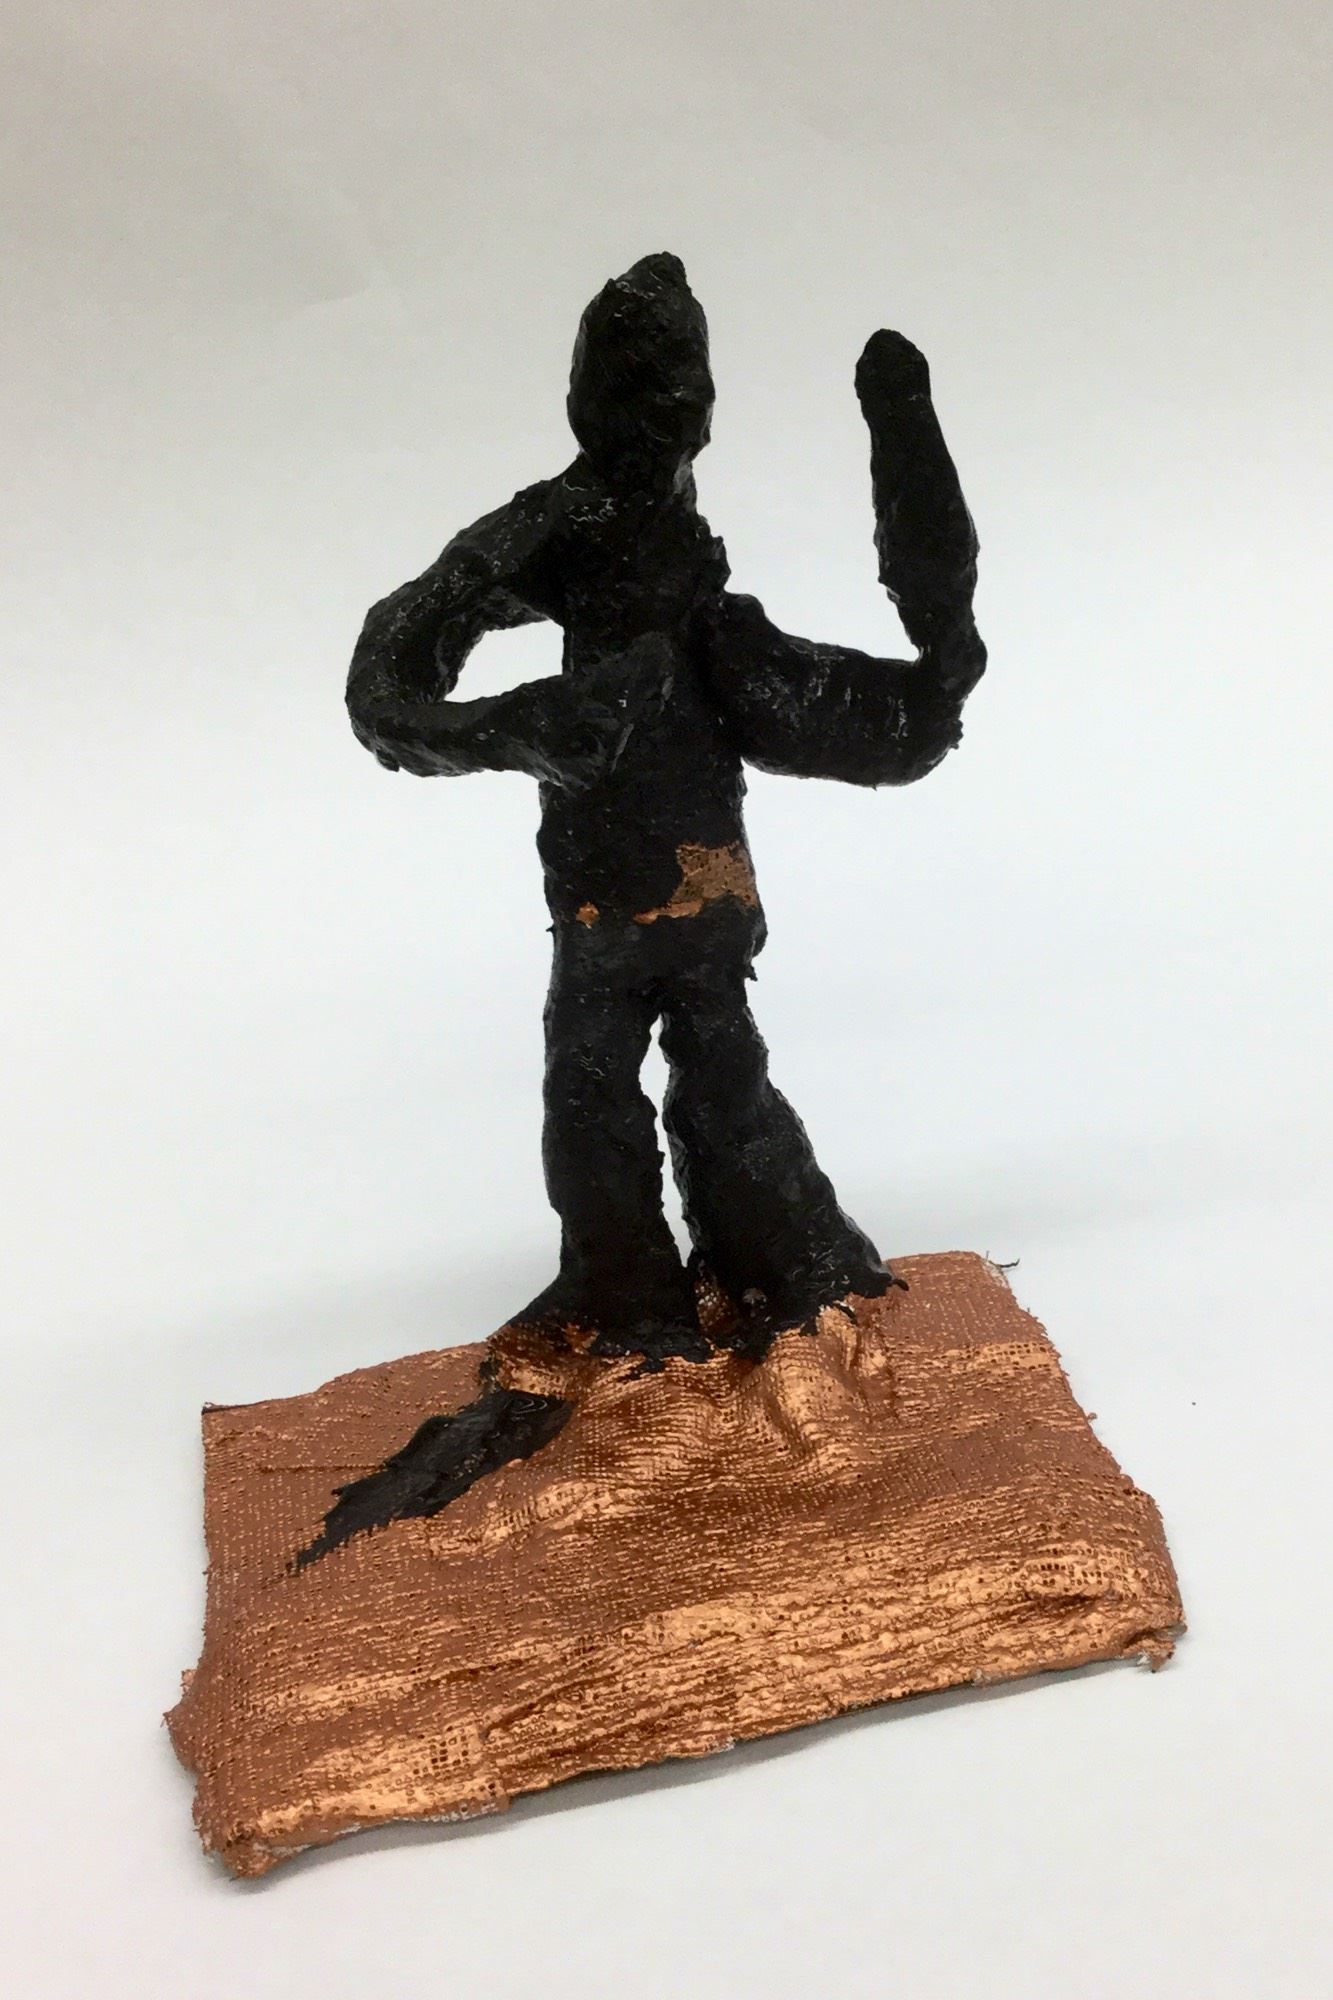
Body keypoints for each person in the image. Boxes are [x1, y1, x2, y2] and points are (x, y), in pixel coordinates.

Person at [346, 252, 985, 1367]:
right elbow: (384, 683)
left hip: (702, 881)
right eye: (642, 387)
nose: (672, 412)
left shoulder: (697, 584)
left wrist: (929, 679)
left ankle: (783, 1271)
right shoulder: (553, 524)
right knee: (592, 1085)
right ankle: (628, 1299)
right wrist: (519, 723)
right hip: (602, 887)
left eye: (685, 385)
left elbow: (778, 696)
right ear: (588, 400)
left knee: (715, 1074)